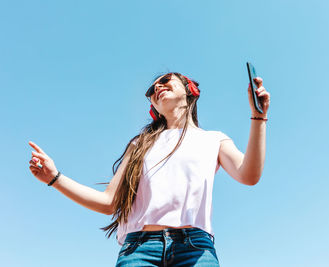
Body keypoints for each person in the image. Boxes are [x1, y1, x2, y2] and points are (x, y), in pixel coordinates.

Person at [28, 72, 270, 266]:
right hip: (139, 249)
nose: (157, 88)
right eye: (151, 90)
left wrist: (258, 117)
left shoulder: (214, 139)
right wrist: (55, 178)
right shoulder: (140, 144)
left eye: (165, 80)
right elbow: (109, 202)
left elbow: (248, 175)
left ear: (190, 91)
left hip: (195, 247)